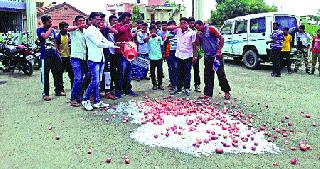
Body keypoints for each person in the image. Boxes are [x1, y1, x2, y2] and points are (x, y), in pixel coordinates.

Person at [82, 12, 118, 111]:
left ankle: (97, 101)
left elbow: (103, 40)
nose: (99, 21)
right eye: (97, 20)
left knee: (98, 81)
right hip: (93, 59)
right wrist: (110, 45)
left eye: (100, 19)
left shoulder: (97, 30)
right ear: (91, 20)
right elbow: (98, 43)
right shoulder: (89, 31)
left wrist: (112, 44)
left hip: (100, 58)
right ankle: (85, 99)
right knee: (95, 81)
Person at [195, 20, 231, 100]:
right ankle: (208, 94)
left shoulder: (211, 29)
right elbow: (197, 44)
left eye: (199, 28)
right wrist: (197, 36)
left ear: (202, 25)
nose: (198, 30)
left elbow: (221, 38)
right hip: (207, 57)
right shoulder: (199, 34)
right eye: (196, 29)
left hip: (216, 56)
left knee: (220, 74)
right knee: (208, 75)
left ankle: (226, 92)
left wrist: (219, 50)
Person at [37, 15, 65, 101]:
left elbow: (54, 41)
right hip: (45, 56)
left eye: (51, 21)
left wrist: (58, 53)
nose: (51, 23)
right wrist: (50, 29)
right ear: (44, 22)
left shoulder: (53, 31)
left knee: (58, 73)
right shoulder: (40, 30)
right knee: (45, 75)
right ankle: (45, 94)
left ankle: (59, 90)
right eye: (49, 22)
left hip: (54, 55)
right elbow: (45, 36)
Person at [168, 17, 197, 96]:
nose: (183, 24)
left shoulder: (192, 32)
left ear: (187, 23)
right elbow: (168, 28)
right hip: (179, 55)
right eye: (181, 23)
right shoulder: (178, 30)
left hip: (188, 55)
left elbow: (194, 45)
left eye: (184, 23)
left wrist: (195, 56)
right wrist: (178, 27)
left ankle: (186, 88)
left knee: (187, 72)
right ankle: (178, 88)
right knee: (178, 72)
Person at [113, 12, 138, 98]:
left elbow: (130, 37)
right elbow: (120, 31)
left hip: (128, 52)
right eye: (128, 19)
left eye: (130, 19)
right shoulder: (117, 25)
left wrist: (134, 32)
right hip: (120, 53)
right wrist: (128, 26)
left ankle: (128, 89)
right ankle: (118, 91)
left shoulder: (127, 27)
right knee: (120, 73)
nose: (129, 21)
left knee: (128, 72)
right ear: (123, 18)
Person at [67, 15, 88, 107]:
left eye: (83, 20)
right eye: (80, 21)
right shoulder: (74, 31)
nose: (82, 22)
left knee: (85, 77)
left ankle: (80, 96)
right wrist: (79, 26)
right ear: (76, 22)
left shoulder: (86, 32)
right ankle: (73, 98)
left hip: (84, 58)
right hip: (75, 57)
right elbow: (67, 28)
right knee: (78, 78)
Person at [99, 13, 118, 100]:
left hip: (105, 53)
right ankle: (96, 92)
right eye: (100, 20)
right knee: (95, 74)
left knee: (107, 72)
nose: (101, 22)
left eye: (103, 20)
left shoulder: (106, 29)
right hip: (95, 54)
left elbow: (115, 31)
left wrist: (106, 26)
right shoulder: (93, 30)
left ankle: (107, 91)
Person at [55, 21, 74, 87]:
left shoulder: (69, 35)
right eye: (65, 28)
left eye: (67, 27)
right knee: (59, 74)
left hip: (69, 57)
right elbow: (56, 47)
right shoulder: (58, 37)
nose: (67, 29)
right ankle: (60, 88)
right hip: (61, 58)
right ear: (61, 28)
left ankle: (73, 86)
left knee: (72, 73)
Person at [146, 25, 164, 90]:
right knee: (152, 72)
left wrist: (163, 54)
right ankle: (154, 84)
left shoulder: (159, 37)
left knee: (159, 72)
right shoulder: (149, 38)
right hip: (151, 58)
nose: (153, 31)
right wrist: (150, 35)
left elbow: (162, 46)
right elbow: (144, 40)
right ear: (150, 31)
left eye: (154, 30)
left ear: (156, 31)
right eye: (151, 30)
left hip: (159, 57)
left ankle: (160, 84)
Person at [164, 20, 178, 91]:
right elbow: (164, 43)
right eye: (170, 26)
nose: (171, 27)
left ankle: (177, 83)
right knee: (171, 68)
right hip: (170, 52)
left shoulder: (179, 32)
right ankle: (172, 82)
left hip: (178, 52)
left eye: (173, 25)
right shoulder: (167, 33)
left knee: (177, 68)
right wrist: (167, 39)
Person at [189, 17, 201, 93]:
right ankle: (186, 86)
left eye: (193, 23)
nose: (192, 24)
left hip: (195, 53)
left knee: (196, 70)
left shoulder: (198, 31)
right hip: (187, 54)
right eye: (191, 23)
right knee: (186, 71)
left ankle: (197, 85)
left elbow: (198, 43)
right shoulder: (185, 31)